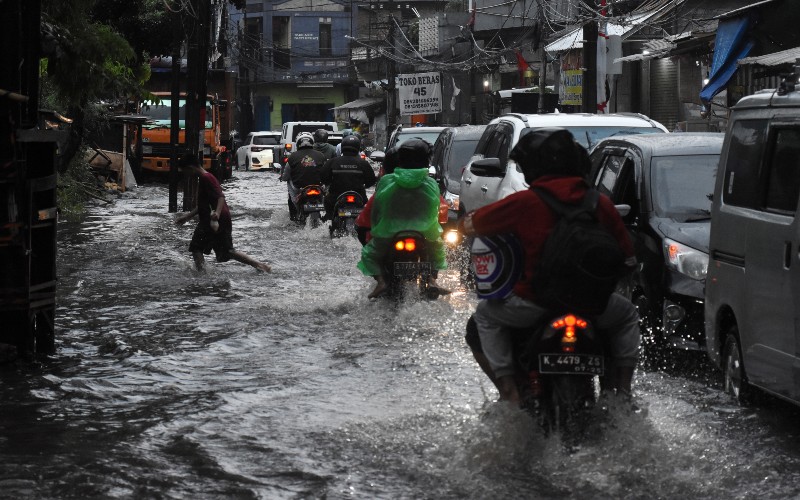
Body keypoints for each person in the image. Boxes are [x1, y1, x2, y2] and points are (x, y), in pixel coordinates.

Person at [459, 128, 640, 405]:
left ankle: (509, 391)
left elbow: (471, 225)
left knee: (483, 317)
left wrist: (464, 224)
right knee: (627, 315)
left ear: (533, 168)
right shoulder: (600, 203)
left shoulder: (523, 202)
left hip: (534, 304)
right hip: (595, 306)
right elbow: (628, 260)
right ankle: (624, 393)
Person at [356, 139, 446, 298]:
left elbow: (376, 211)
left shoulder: (386, 181)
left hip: (389, 233)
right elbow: (436, 210)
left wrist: (377, 229)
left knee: (369, 255)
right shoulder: (431, 183)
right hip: (424, 233)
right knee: (437, 251)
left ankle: (381, 282)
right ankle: (432, 279)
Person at [175, 153, 271, 273]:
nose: (186, 175)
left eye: (185, 171)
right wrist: (187, 217)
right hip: (214, 219)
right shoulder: (205, 178)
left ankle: (201, 274)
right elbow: (203, 205)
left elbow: (220, 197)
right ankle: (259, 265)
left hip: (215, 220)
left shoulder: (206, 178)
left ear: (191, 168)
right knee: (226, 252)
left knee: (196, 247)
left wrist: (217, 214)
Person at [319, 134, 377, 220]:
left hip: (335, 196)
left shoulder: (333, 162)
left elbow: (323, 177)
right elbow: (371, 180)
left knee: (328, 209)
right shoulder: (363, 163)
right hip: (359, 197)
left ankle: (330, 220)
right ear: (358, 147)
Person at [281, 132, 326, 220]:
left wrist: (283, 178)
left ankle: (294, 214)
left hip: (299, 188)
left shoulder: (292, 157)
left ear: (298, 143)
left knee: (288, 182)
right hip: (319, 187)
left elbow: (286, 175)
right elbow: (326, 171)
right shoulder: (321, 155)